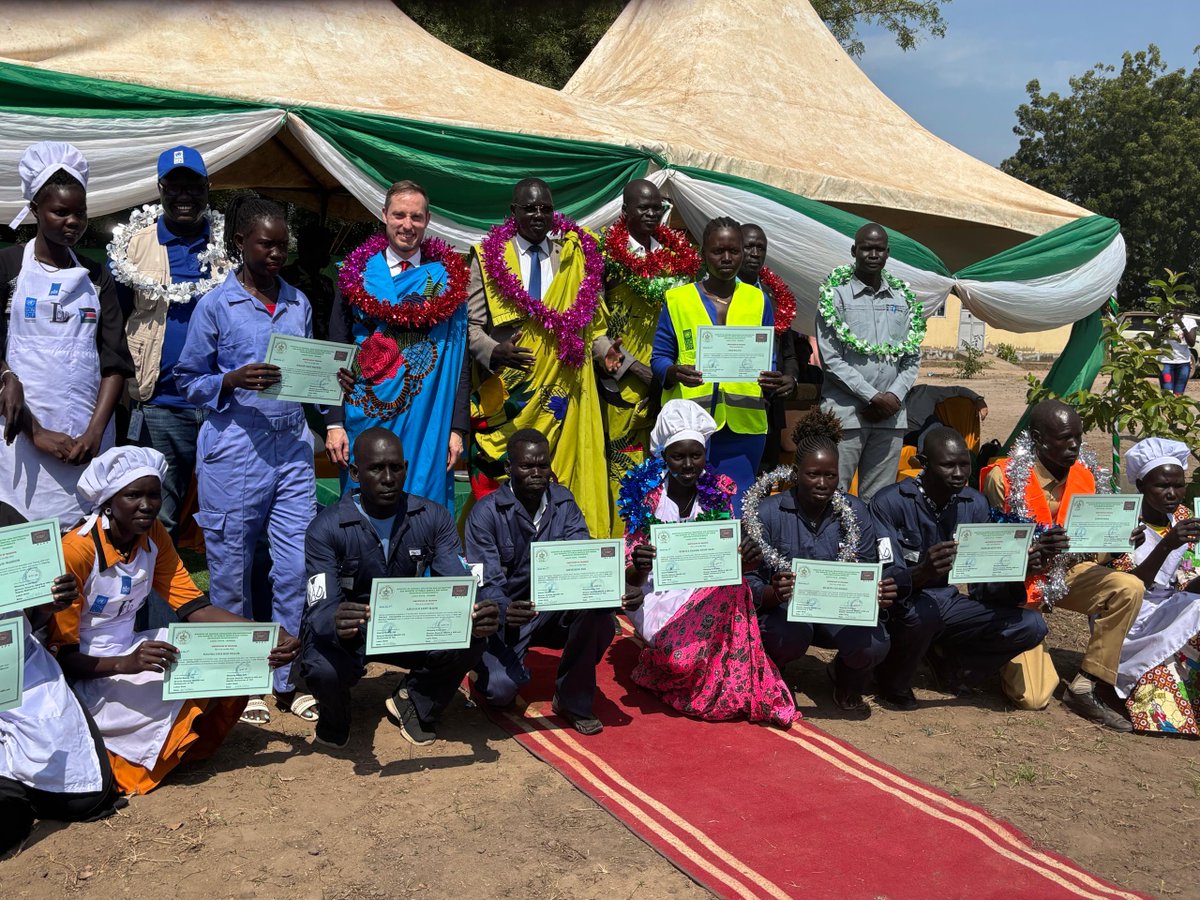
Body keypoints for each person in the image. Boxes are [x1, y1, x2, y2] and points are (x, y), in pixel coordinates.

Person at [46, 447, 300, 794]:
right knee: (177, 690)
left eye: (153, 494)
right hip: (90, 671)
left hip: (133, 652)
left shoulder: (152, 538)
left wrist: (268, 633)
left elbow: (196, 608)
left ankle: (182, 748)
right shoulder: (76, 551)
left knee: (231, 658)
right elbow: (63, 657)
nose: (147, 505)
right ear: (107, 501)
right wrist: (127, 663)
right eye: (133, 495)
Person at [174, 194, 323, 726]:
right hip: (235, 449)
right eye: (267, 244)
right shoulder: (217, 305)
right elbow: (187, 380)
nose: (277, 253)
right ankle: (245, 681)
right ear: (240, 243)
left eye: (283, 244)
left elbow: (310, 372)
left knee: (294, 566)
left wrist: (331, 386)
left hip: (291, 449)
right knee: (232, 567)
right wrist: (230, 380)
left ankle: (288, 677)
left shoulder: (299, 303)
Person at [301, 428, 499, 749]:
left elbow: (457, 581)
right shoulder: (326, 528)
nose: (389, 477)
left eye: (396, 467)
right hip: (354, 630)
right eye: (376, 468)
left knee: (472, 636)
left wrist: (476, 609)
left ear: (405, 468)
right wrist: (335, 620)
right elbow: (319, 604)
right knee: (321, 665)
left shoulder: (433, 517)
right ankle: (335, 715)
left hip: (408, 626)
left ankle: (415, 701)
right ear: (354, 472)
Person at [620, 399, 794, 726]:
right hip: (657, 592)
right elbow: (630, 578)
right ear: (663, 456)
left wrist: (743, 562)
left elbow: (724, 558)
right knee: (678, 659)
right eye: (678, 456)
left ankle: (725, 683)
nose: (688, 464)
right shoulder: (647, 499)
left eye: (695, 455)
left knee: (736, 586)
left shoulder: (716, 494)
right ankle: (661, 668)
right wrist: (641, 565)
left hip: (705, 588)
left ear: (705, 455)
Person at [467, 178, 617, 536]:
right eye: (529, 208)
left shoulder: (574, 257)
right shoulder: (486, 259)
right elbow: (470, 327)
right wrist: (494, 350)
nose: (538, 215)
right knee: (504, 486)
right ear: (513, 212)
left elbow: (591, 325)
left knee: (567, 478)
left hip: (567, 392)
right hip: (512, 396)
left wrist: (607, 352)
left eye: (545, 209)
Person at [981, 399, 1143, 731]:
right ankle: (987, 649)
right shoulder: (1005, 478)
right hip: (1020, 585)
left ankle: (1086, 684)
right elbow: (992, 554)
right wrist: (1034, 551)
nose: (1074, 446)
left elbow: (1092, 550)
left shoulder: (1085, 475)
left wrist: (1117, 542)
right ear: (1038, 438)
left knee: (1128, 586)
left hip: (1067, 572)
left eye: (1078, 438)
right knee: (1033, 698)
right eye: (1065, 439)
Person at [0, 141, 133, 525]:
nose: (72, 222)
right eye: (60, 212)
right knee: (23, 538)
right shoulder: (8, 266)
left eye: (80, 213)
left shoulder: (96, 275)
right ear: (34, 210)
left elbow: (114, 360)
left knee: (81, 541)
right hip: (20, 435)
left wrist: (94, 432)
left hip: (86, 439)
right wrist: (36, 430)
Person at [869, 427, 1048, 708]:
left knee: (1031, 625)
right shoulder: (890, 502)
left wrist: (1022, 568)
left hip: (947, 601)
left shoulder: (974, 503)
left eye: (964, 464)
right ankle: (892, 680)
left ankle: (954, 665)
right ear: (924, 464)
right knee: (923, 613)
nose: (958, 473)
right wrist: (922, 572)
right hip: (901, 606)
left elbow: (987, 580)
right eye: (948, 465)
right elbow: (886, 579)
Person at [747, 410, 906, 716]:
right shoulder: (767, 513)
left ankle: (847, 677)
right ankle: (776, 674)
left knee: (872, 643)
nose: (822, 483)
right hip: (787, 614)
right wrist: (773, 592)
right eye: (812, 474)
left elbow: (869, 568)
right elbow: (749, 581)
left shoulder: (855, 512)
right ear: (796, 472)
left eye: (830, 475)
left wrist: (878, 593)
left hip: (839, 610)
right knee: (787, 635)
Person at [325, 180, 470, 509]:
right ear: (384, 215)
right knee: (364, 507)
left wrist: (457, 428)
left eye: (416, 217)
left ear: (428, 220)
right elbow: (336, 348)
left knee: (423, 504)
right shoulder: (356, 275)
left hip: (428, 420)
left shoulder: (449, 281)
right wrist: (334, 422)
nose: (408, 225)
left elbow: (459, 358)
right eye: (399, 215)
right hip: (366, 413)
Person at [465, 428, 619, 735]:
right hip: (509, 617)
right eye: (527, 466)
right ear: (509, 468)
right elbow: (484, 579)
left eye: (543, 465)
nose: (537, 472)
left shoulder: (564, 504)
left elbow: (580, 559)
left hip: (553, 611)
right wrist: (505, 609)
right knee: (500, 693)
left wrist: (612, 586)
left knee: (600, 615)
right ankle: (481, 665)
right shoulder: (486, 513)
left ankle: (573, 699)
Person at [113, 146, 229, 542]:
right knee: (156, 514)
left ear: (207, 188)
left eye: (193, 186)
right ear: (160, 189)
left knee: (228, 510)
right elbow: (118, 320)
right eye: (174, 186)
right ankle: (152, 601)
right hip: (161, 403)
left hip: (221, 402)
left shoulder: (228, 245)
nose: (184, 196)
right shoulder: (136, 244)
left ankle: (228, 598)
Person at [0, 501, 124, 856]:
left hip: (16, 663)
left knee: (83, 796)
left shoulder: (4, 518)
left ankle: (16, 788)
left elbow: (34, 610)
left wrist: (50, 602)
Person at [651, 217, 793, 513]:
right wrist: (674, 372)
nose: (727, 258)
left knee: (738, 506)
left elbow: (768, 358)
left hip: (744, 428)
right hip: (690, 431)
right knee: (689, 508)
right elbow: (660, 358)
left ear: (743, 252)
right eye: (718, 251)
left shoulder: (759, 300)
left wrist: (775, 380)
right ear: (703, 253)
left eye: (734, 251)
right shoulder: (678, 299)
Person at [598, 180, 700, 531]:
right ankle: (624, 552)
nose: (652, 214)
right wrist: (632, 367)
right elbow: (593, 325)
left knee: (667, 468)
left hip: (668, 383)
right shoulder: (605, 255)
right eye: (644, 207)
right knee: (622, 469)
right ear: (625, 212)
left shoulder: (677, 259)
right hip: (621, 384)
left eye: (658, 208)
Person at [817, 223, 921, 502]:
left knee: (879, 500)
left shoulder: (903, 298)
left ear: (888, 253)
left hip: (890, 419)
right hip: (847, 416)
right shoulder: (835, 296)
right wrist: (873, 397)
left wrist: (893, 397)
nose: (872, 254)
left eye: (879, 249)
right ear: (854, 251)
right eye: (866, 248)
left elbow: (912, 357)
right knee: (833, 497)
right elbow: (830, 359)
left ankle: (872, 547)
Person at [1109, 438, 1200, 735]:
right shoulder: (1127, 524)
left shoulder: (1184, 517)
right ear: (1140, 485)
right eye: (1162, 486)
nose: (1172, 494)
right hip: (1132, 617)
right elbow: (1129, 586)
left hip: (1174, 608)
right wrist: (1167, 544)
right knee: (1168, 717)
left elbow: (1188, 583)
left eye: (1178, 484)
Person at [739, 223, 819, 468]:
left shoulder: (774, 298)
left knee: (765, 478)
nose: (754, 253)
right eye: (748, 246)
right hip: (733, 407)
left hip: (770, 410)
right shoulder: (719, 295)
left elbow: (789, 354)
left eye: (760, 247)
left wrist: (791, 378)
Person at [280, 223, 335, 341]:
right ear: (307, 249)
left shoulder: (326, 284)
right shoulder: (284, 278)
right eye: (323, 249)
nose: (327, 255)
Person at [1155, 311, 1196, 395]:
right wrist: (1162, 331)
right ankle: (1166, 408)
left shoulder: (1190, 322)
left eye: (1180, 308)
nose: (1177, 311)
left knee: (1178, 394)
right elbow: (1154, 343)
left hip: (1183, 363)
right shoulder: (1162, 320)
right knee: (1167, 393)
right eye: (1175, 307)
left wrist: (1182, 325)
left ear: (1185, 309)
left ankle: (1175, 408)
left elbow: (1192, 343)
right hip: (1165, 362)